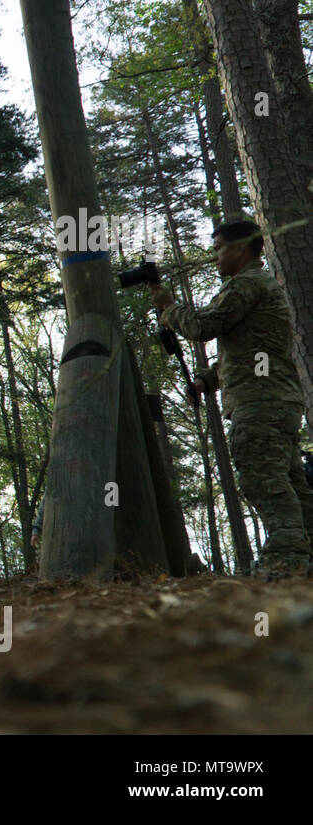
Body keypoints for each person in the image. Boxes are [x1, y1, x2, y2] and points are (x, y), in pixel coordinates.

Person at [151, 219, 313, 577]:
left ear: (241, 248)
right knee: (292, 485)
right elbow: (251, 349)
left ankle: (286, 562)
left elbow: (203, 326)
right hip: (276, 399)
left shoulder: (246, 285)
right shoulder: (258, 286)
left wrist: (169, 307)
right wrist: (206, 380)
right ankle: (303, 557)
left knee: (264, 481)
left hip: (260, 403)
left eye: (218, 248)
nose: (215, 257)